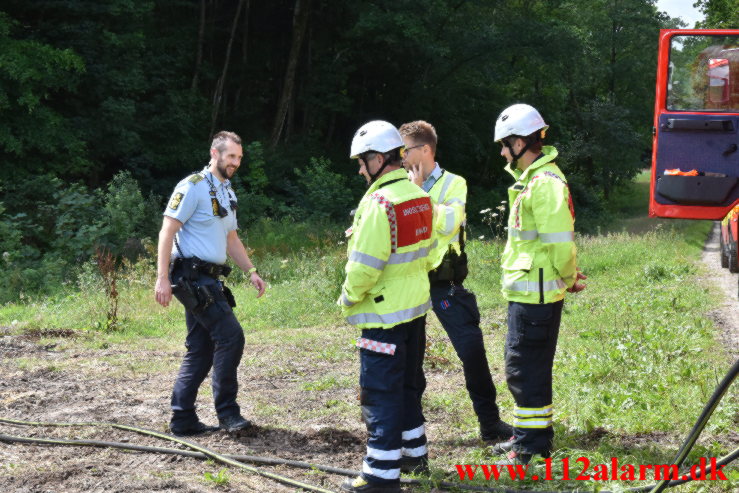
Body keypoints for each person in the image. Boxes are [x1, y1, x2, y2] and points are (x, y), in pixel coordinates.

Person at [398, 121, 513, 443]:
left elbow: (449, 222)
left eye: (405, 150)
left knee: (471, 350)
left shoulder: (453, 183)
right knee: (408, 360)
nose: (401, 157)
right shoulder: (396, 183)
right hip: (407, 282)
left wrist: (418, 195)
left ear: (425, 150)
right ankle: (409, 430)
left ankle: (490, 424)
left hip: (444, 282)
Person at [338, 120, 435, 493]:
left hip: (382, 315)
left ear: (379, 159)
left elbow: (364, 266)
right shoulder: (419, 197)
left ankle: (381, 475)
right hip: (414, 310)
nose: (361, 170)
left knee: (380, 391)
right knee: (408, 386)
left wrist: (347, 296)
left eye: (363, 162)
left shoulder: (379, 204)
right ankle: (414, 455)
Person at [490, 104, 586, 464]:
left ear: (519, 142)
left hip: (538, 295)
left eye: (504, 145)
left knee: (524, 369)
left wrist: (570, 277)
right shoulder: (534, 179)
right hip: (531, 291)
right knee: (527, 368)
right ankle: (530, 438)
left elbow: (559, 242)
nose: (502, 152)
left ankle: (530, 449)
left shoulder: (543, 183)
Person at [154, 130, 266, 437]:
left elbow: (231, 238)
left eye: (239, 158)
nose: (236, 162)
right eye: (231, 156)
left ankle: (183, 418)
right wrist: (162, 278)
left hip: (210, 278)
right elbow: (167, 231)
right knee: (231, 337)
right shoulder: (193, 187)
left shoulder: (227, 192)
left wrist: (251, 271)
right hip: (190, 277)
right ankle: (228, 413)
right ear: (215, 154)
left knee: (201, 348)